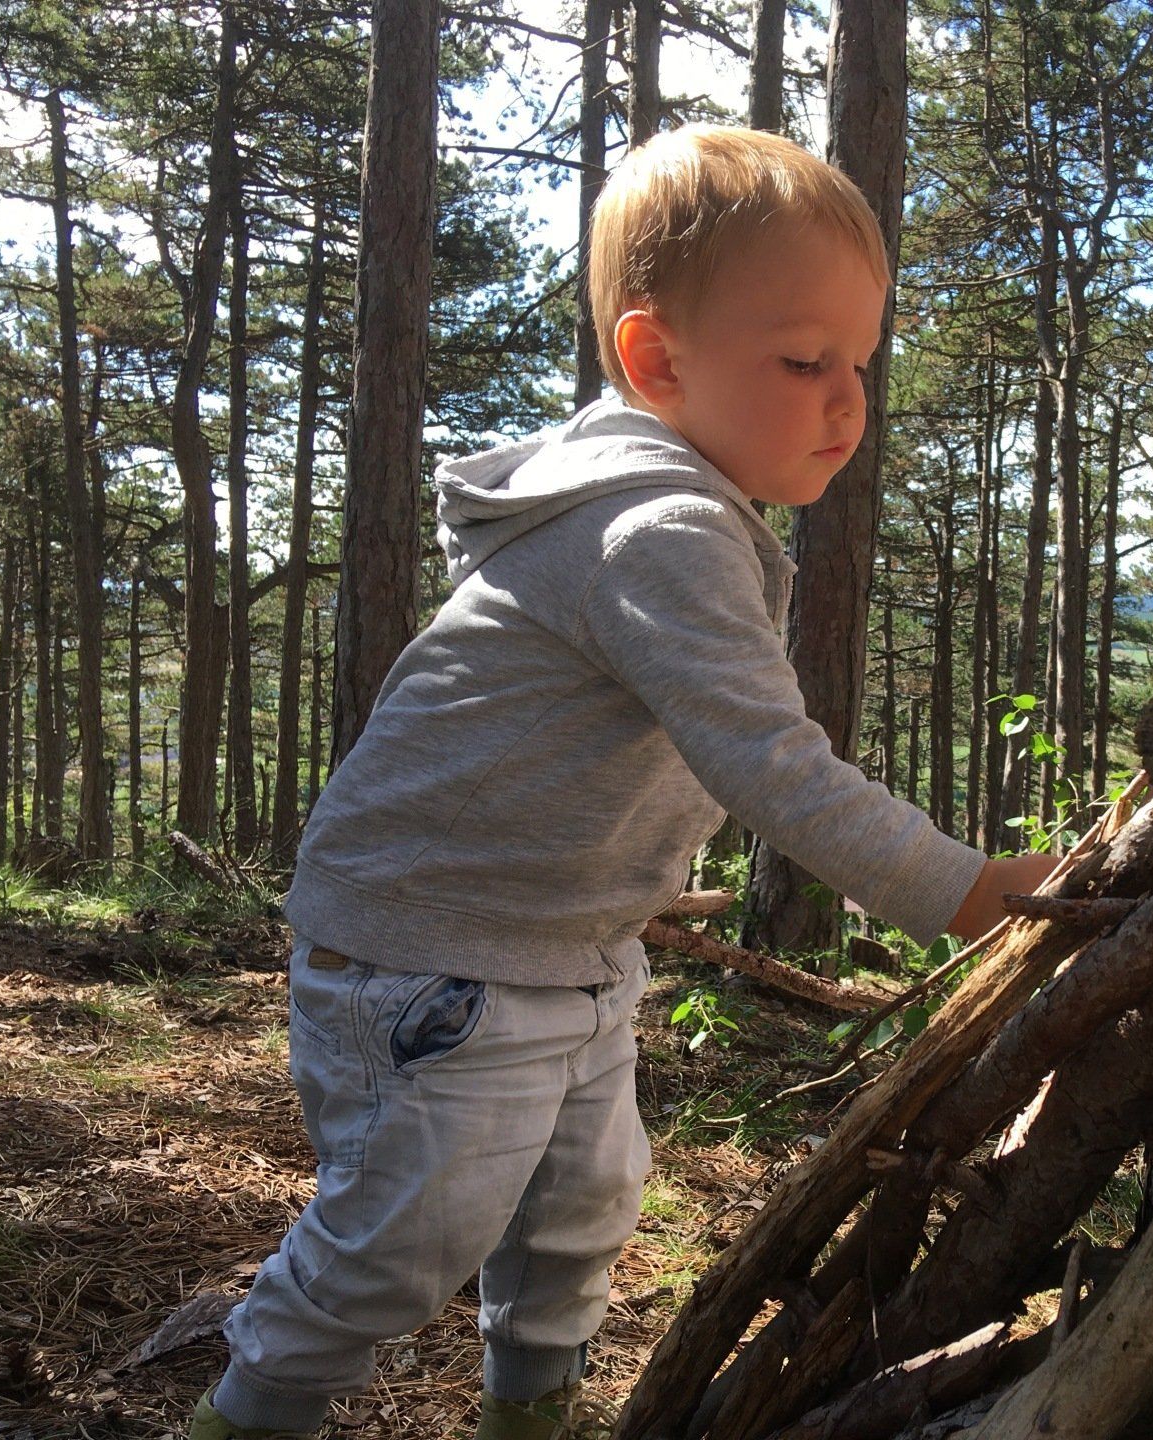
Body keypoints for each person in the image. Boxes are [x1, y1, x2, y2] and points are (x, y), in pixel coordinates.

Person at [188, 123, 1059, 1440]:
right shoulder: (659, 531)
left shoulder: (667, 512)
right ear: (656, 360)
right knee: (400, 1245)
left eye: (861, 365)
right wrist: (965, 891)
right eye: (804, 361)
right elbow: (770, 764)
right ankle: (249, 1415)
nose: (847, 403)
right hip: (436, 953)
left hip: (562, 950)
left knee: (578, 1213)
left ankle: (529, 1418)